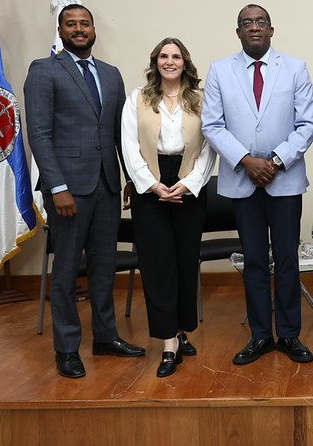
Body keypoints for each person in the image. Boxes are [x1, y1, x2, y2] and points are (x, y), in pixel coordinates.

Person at [24, 4, 145, 379]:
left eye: (85, 24)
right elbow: (39, 135)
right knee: (66, 272)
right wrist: (57, 186)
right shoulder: (44, 70)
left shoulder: (110, 74)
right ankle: (66, 348)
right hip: (68, 190)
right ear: (60, 31)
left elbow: (119, 133)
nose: (79, 29)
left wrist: (129, 177)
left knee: (104, 268)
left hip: (107, 185)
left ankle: (105, 337)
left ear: (94, 30)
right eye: (71, 24)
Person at [202, 4, 313, 365]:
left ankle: (290, 335)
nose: (254, 27)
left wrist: (276, 161)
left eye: (260, 22)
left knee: (286, 259)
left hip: (285, 181)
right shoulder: (220, 70)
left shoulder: (295, 68)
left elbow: (308, 124)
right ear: (238, 31)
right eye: (246, 23)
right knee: (253, 261)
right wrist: (246, 161)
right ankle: (260, 336)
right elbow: (212, 124)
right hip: (242, 181)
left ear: (271, 29)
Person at [121, 38, 215, 377]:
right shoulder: (137, 98)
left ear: (184, 62)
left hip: (189, 185)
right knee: (158, 265)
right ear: (155, 62)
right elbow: (129, 146)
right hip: (150, 187)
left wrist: (190, 183)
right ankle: (168, 343)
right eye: (164, 56)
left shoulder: (201, 100)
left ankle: (181, 329)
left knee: (185, 262)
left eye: (176, 56)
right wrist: (153, 185)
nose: (170, 61)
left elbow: (210, 146)